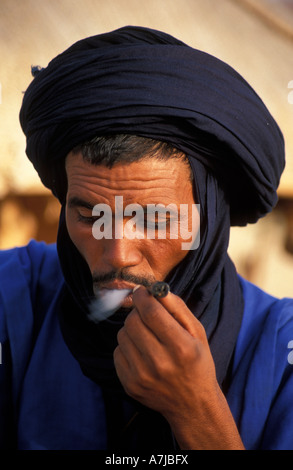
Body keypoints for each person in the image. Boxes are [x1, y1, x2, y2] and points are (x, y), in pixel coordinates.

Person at [0, 25, 292, 451]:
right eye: (88, 215)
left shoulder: (280, 351)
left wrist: (198, 413)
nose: (117, 253)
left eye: (154, 221)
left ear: (207, 218)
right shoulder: (15, 300)